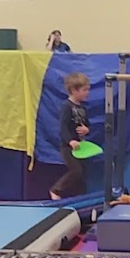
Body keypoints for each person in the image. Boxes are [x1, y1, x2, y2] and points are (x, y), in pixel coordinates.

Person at [50, 72, 90, 200]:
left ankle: (81, 197)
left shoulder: (82, 108)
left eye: (88, 89)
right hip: (68, 147)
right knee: (76, 171)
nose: (87, 93)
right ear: (73, 90)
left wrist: (87, 129)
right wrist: (70, 141)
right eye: (84, 90)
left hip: (81, 146)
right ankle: (56, 190)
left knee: (82, 173)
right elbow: (63, 127)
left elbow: (86, 124)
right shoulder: (67, 107)